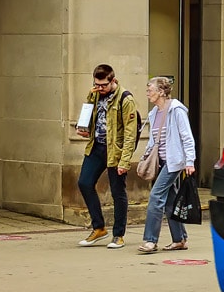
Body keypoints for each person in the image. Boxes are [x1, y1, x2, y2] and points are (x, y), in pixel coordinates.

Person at [75, 63, 138, 249]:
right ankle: (99, 228)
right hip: (96, 146)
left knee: (117, 192)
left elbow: (130, 133)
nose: (99, 88)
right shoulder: (94, 93)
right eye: (97, 84)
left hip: (115, 150)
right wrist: (84, 128)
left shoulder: (125, 99)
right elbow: (88, 112)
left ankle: (118, 235)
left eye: (103, 85)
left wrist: (125, 161)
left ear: (113, 80)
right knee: (84, 183)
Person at [139, 76, 198, 253]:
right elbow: (154, 141)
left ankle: (150, 240)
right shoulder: (153, 113)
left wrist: (190, 161)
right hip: (161, 161)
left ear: (161, 92)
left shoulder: (176, 110)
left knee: (156, 196)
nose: (148, 92)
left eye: (150, 89)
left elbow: (187, 137)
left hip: (174, 161)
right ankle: (180, 239)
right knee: (170, 200)